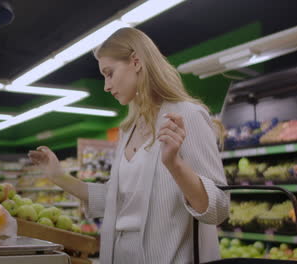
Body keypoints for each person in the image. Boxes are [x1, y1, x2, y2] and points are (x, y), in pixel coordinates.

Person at [28, 27, 229, 264]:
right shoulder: (129, 129)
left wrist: (174, 164)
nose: (106, 85)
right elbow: (117, 200)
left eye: (109, 73)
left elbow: (218, 208)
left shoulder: (186, 116)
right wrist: (58, 176)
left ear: (136, 62)